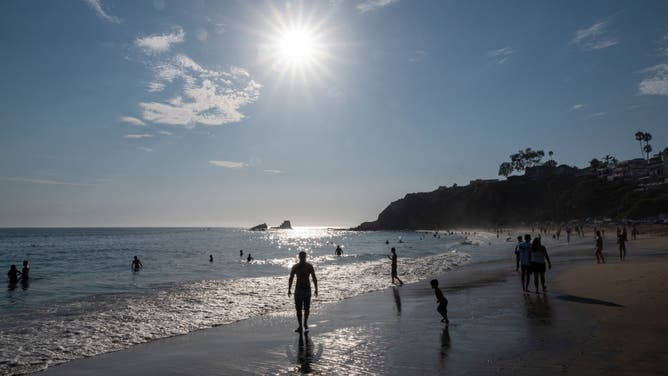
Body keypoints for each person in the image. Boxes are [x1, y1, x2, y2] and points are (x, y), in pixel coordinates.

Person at [288, 251, 318, 333]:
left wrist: (316, 289)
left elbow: (314, 278)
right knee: (298, 309)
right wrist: (289, 289)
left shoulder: (309, 266)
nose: (302, 258)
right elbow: (291, 278)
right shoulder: (295, 267)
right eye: (301, 257)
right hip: (298, 289)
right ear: (299, 257)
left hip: (307, 289)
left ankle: (304, 323)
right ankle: (300, 326)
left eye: (303, 257)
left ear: (305, 257)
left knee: (307, 308)